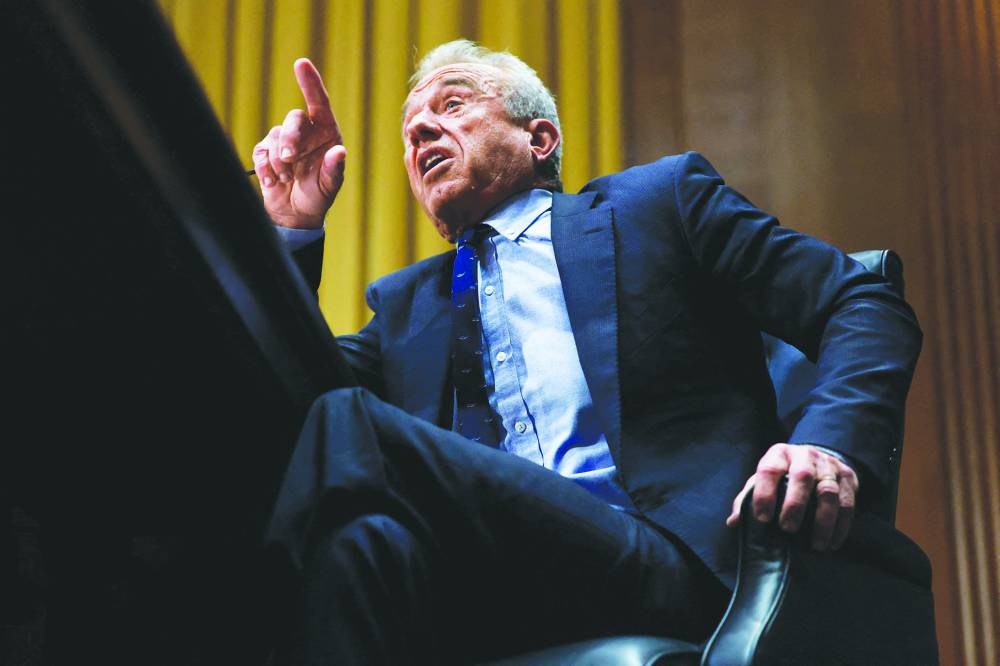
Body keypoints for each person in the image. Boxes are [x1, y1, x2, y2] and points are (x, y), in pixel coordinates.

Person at [251, 40, 921, 664]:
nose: (421, 131)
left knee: (353, 424)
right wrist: (291, 233)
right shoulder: (407, 306)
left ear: (538, 138)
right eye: (409, 131)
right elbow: (295, 395)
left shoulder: (656, 207)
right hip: (485, 585)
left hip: (667, 559)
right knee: (358, 545)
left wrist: (829, 446)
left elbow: (860, 303)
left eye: (451, 104)